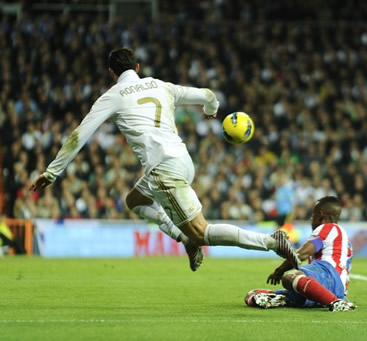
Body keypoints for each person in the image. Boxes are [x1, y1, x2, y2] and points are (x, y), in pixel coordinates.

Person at [29, 48, 300, 269]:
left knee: (202, 232)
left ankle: (272, 242)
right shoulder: (161, 85)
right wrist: (211, 110)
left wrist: (52, 171)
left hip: (163, 170)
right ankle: (185, 238)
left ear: (112, 72)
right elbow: (208, 95)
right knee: (134, 201)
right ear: (137, 68)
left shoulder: (111, 96)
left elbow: (79, 135)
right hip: (182, 160)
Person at [245, 196, 356, 311]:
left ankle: (336, 302)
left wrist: (279, 271)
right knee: (253, 294)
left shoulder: (328, 228)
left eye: (313, 215)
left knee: (290, 276)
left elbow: (301, 255)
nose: (311, 219)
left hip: (328, 275)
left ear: (320, 214)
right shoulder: (342, 237)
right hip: (331, 288)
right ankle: (326, 299)